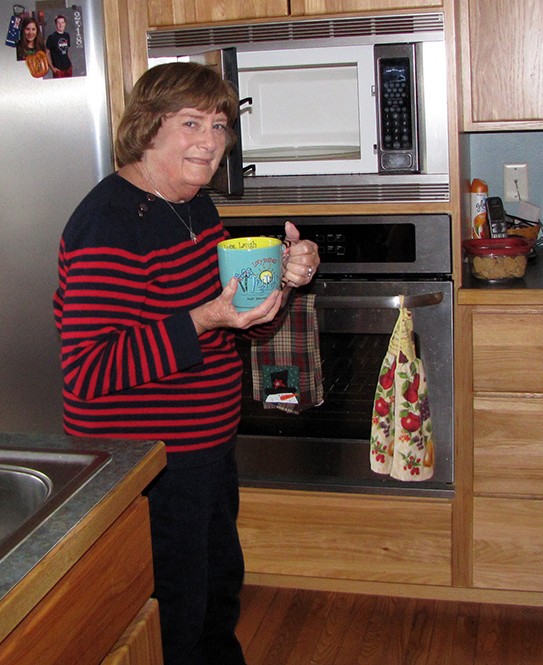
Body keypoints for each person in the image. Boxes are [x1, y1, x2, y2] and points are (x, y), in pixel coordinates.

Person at [53, 62, 320, 665]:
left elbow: (238, 322)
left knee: (215, 595)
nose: (210, 141)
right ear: (147, 129)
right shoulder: (110, 224)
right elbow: (88, 371)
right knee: (173, 613)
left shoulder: (192, 206)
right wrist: (203, 320)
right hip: (147, 460)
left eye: (220, 126)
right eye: (190, 123)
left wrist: (284, 281)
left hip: (201, 445)